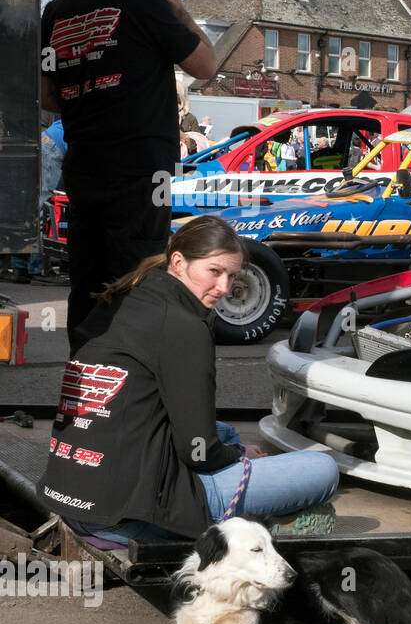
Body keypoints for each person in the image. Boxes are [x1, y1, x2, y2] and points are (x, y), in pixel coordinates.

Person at [39, 216, 339, 542]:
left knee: (225, 431)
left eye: (233, 276)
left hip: (69, 494)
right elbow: (199, 454)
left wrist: (227, 445)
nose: (225, 288)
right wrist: (236, 456)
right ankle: (251, 525)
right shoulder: (184, 326)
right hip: (124, 516)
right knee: (321, 469)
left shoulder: (126, 297)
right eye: (214, 272)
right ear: (179, 262)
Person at [40, 0, 217, 347]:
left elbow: (47, 97)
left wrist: (94, 92)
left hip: (83, 167)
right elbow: (206, 65)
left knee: (88, 283)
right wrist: (174, 5)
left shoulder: (58, 8)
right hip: (141, 167)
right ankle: (128, 400)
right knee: (138, 281)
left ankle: (85, 394)